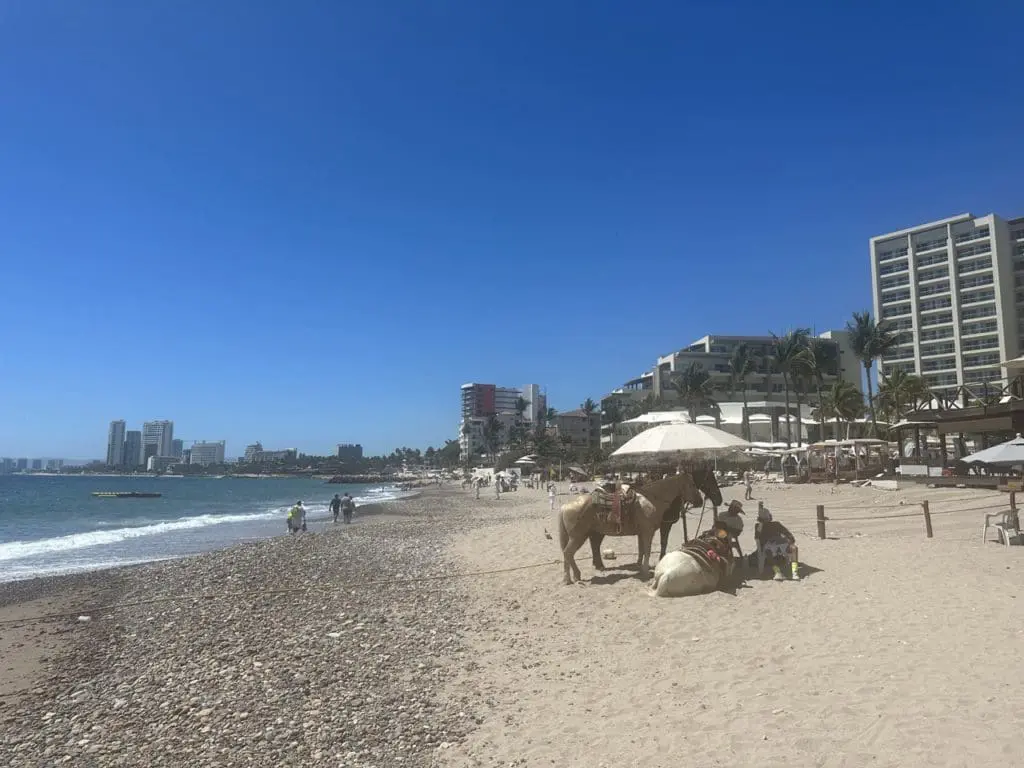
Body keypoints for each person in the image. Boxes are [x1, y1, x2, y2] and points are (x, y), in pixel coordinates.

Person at [754, 506, 799, 581]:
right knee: (768, 552)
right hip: (768, 546)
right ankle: (777, 571)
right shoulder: (758, 526)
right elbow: (757, 537)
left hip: (781, 543)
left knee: (794, 548)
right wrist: (761, 524)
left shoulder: (776, 524)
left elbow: (787, 533)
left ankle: (795, 572)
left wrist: (790, 540)